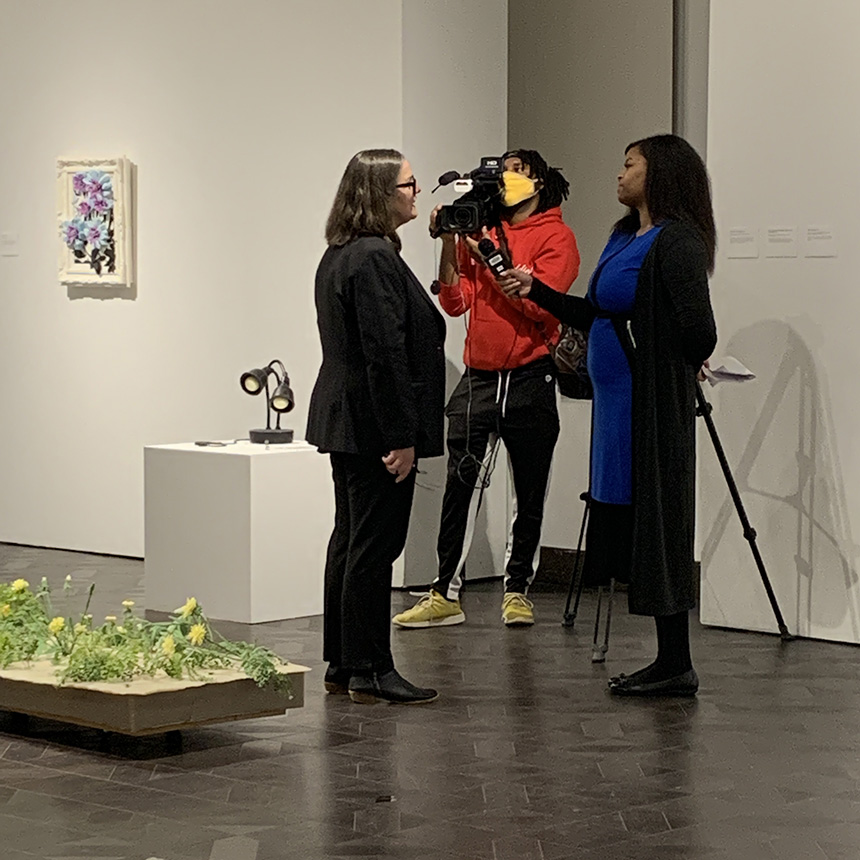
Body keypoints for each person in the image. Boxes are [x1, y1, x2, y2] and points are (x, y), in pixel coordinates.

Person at [497, 134, 717, 696]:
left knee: (659, 518)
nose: (618, 175)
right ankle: (669, 659)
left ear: (660, 174)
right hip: (615, 404)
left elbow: (699, 331)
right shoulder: (625, 236)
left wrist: (673, 364)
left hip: (650, 404)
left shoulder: (678, 241)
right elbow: (594, 310)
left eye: (629, 166)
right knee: (626, 514)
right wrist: (535, 290)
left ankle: (675, 662)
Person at [393, 149, 580, 630]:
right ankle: (443, 591)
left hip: (529, 377)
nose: (506, 178)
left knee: (528, 490)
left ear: (538, 180)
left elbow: (538, 307)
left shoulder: (557, 238)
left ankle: (517, 591)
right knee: (461, 487)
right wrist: (451, 242)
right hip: (478, 378)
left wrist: (490, 258)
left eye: (516, 169)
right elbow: (455, 304)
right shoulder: (480, 230)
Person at [306, 149, 447, 704]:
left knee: (351, 538)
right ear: (381, 193)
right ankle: (371, 667)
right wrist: (401, 437)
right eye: (410, 184)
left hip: (348, 419)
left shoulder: (343, 253)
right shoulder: (372, 259)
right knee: (373, 544)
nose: (417, 194)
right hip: (373, 425)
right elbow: (384, 354)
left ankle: (344, 661)